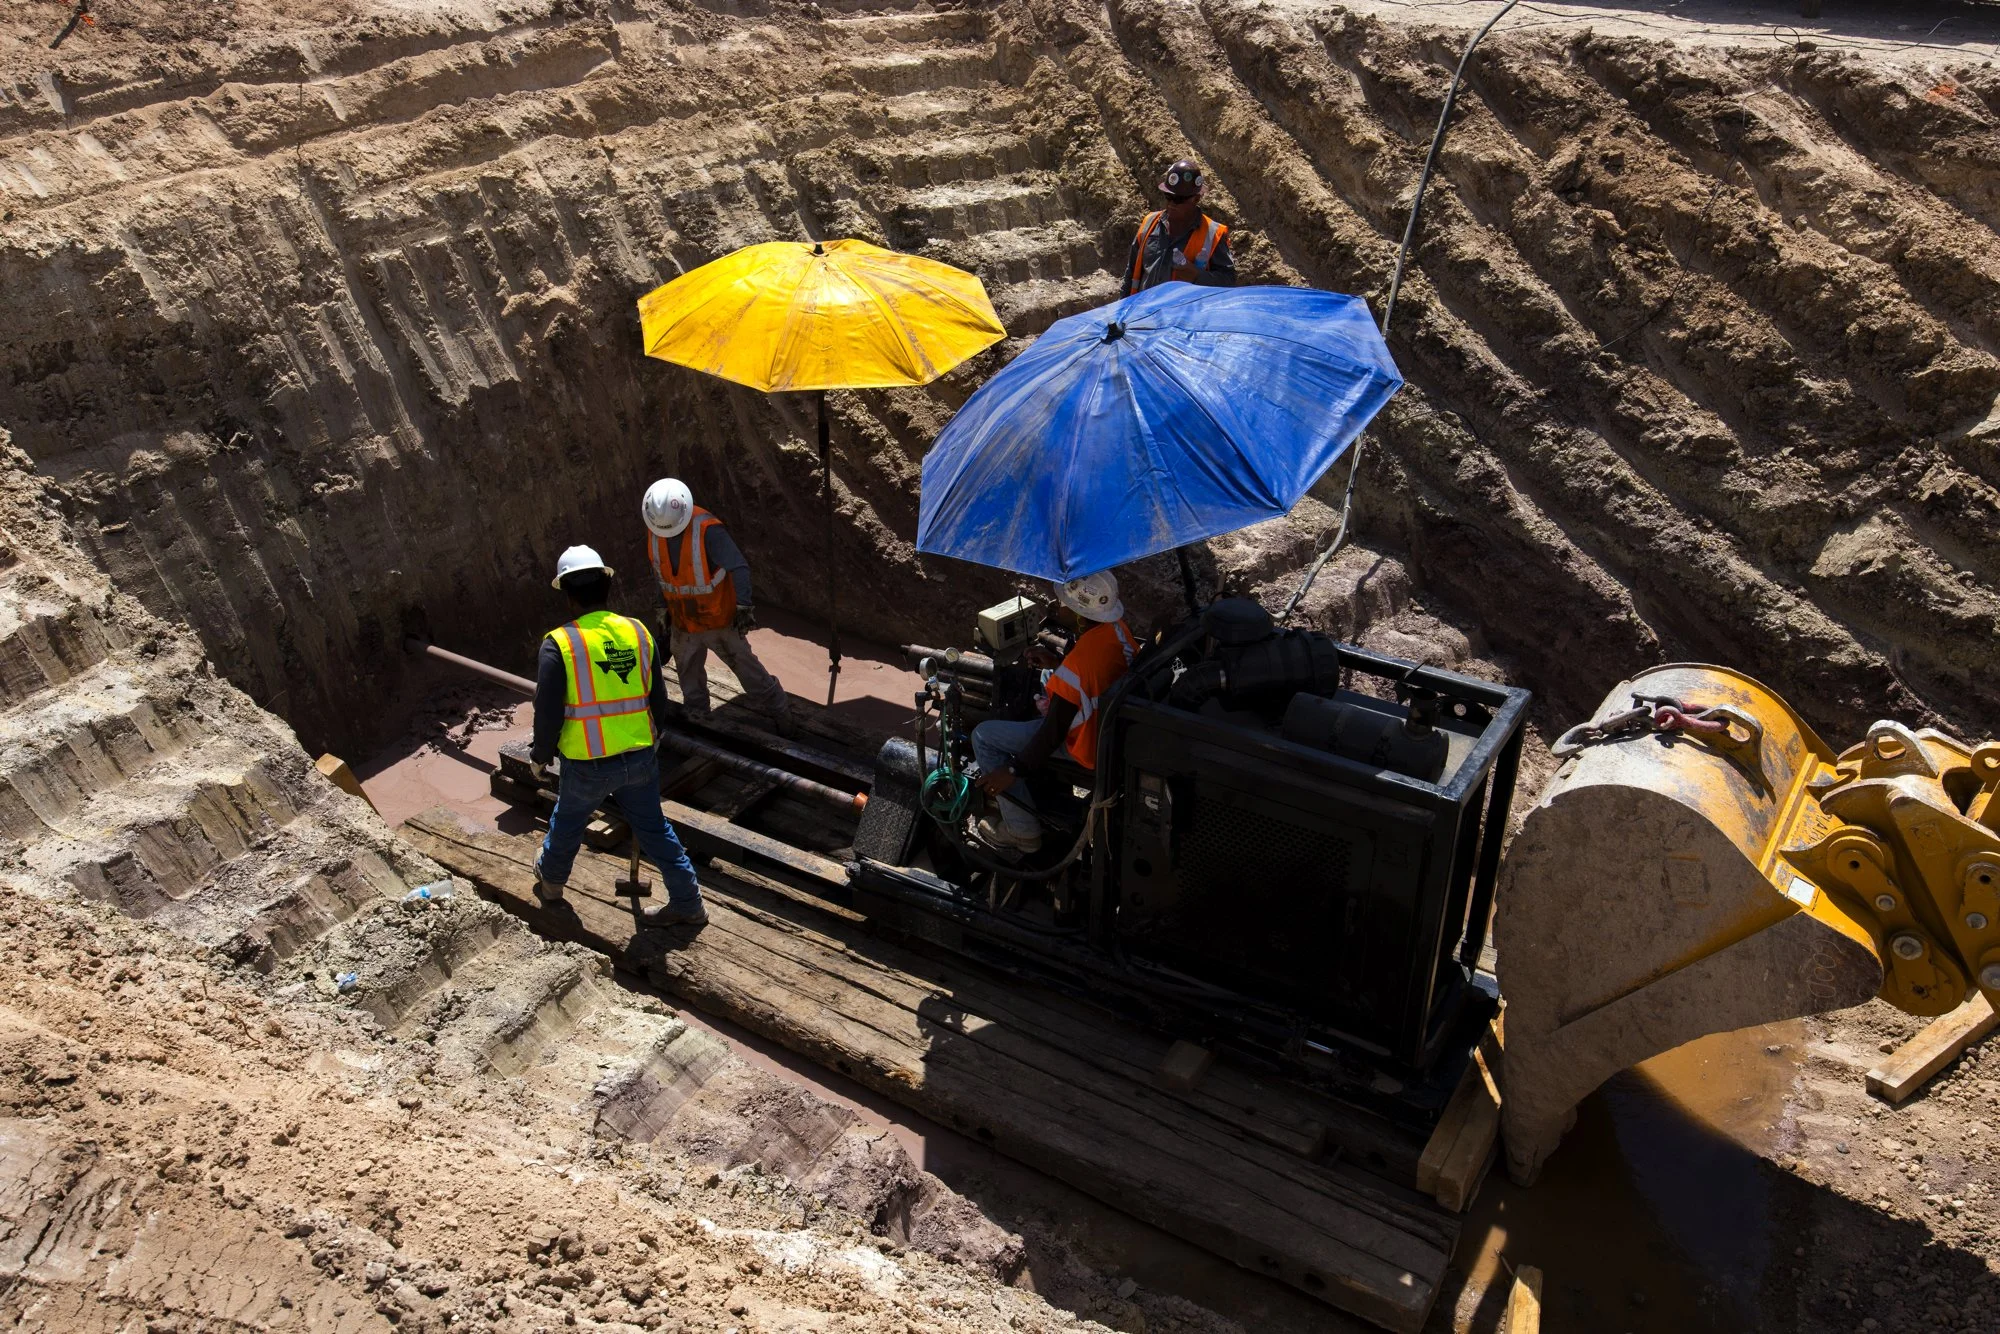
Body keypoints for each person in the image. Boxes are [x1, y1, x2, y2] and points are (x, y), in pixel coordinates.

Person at [530, 545, 707, 927]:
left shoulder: (560, 643)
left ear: (568, 594)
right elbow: (658, 697)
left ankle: (551, 887)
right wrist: (652, 738)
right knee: (654, 828)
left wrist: (540, 754)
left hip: (588, 763)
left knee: (568, 823)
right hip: (640, 758)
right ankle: (689, 902)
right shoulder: (638, 632)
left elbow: (547, 710)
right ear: (607, 585)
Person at [971, 572, 1137, 853]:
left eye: (1062, 602)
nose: (1056, 605)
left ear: (1079, 611)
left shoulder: (1079, 666)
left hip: (1085, 744)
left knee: (984, 736)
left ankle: (1022, 832)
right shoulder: (1117, 629)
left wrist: (1011, 770)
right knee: (1049, 675)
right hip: (1109, 727)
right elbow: (1091, 675)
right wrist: (1058, 662)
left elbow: (1052, 733)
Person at [641, 478, 795, 737]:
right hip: (683, 622)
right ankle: (700, 723)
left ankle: (782, 715)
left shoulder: (708, 530)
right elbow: (660, 572)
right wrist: (662, 608)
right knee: (689, 681)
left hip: (718, 621)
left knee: (751, 675)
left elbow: (739, 567)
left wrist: (744, 606)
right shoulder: (657, 527)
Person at [1123, 159, 1238, 297]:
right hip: (1144, 315)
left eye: (1178, 200)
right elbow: (1131, 273)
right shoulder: (1149, 223)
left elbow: (1228, 281)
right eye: (1168, 197)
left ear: (1196, 199)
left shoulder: (1213, 234)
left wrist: (1197, 275)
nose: (1171, 204)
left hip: (1184, 317)